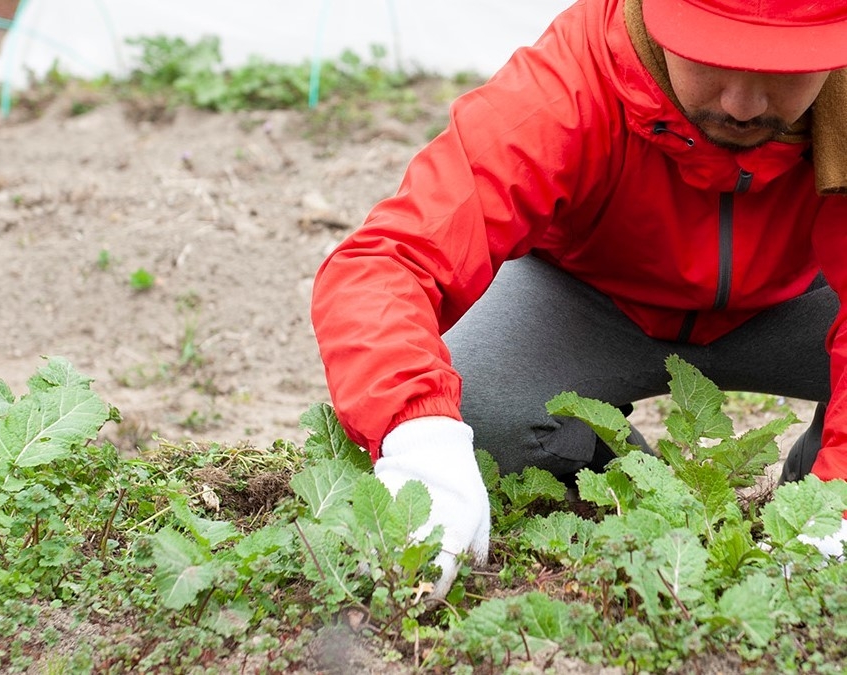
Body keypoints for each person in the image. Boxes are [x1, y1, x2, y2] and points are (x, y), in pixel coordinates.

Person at [310, 0, 847, 598]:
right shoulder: (576, 78)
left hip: (800, 304)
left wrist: (838, 498)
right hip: (592, 300)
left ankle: (807, 501)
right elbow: (391, 259)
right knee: (480, 412)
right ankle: (627, 483)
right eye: (710, 57)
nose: (740, 105)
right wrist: (419, 442)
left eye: (784, 67)